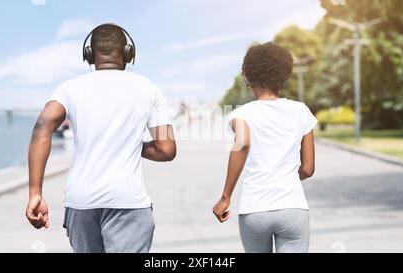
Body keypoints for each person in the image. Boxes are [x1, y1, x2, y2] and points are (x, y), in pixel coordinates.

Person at [25, 23, 176, 253]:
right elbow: (166, 149)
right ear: (128, 54)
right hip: (128, 202)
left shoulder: (69, 89)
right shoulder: (149, 89)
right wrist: (130, 141)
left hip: (81, 203)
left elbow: (42, 126)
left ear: (89, 55)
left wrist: (35, 193)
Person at [212, 42, 317, 253]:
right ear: (285, 75)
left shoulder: (242, 114)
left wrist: (225, 198)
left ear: (248, 76)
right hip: (292, 207)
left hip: (255, 209)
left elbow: (242, 145)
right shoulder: (301, 111)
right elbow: (308, 169)